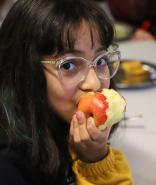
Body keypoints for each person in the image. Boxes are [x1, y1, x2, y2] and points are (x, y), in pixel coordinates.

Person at [0, 0, 134, 184]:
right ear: (26, 72)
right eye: (68, 65)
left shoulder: (60, 122)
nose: (94, 83)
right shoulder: (8, 167)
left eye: (101, 60)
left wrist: (95, 157)